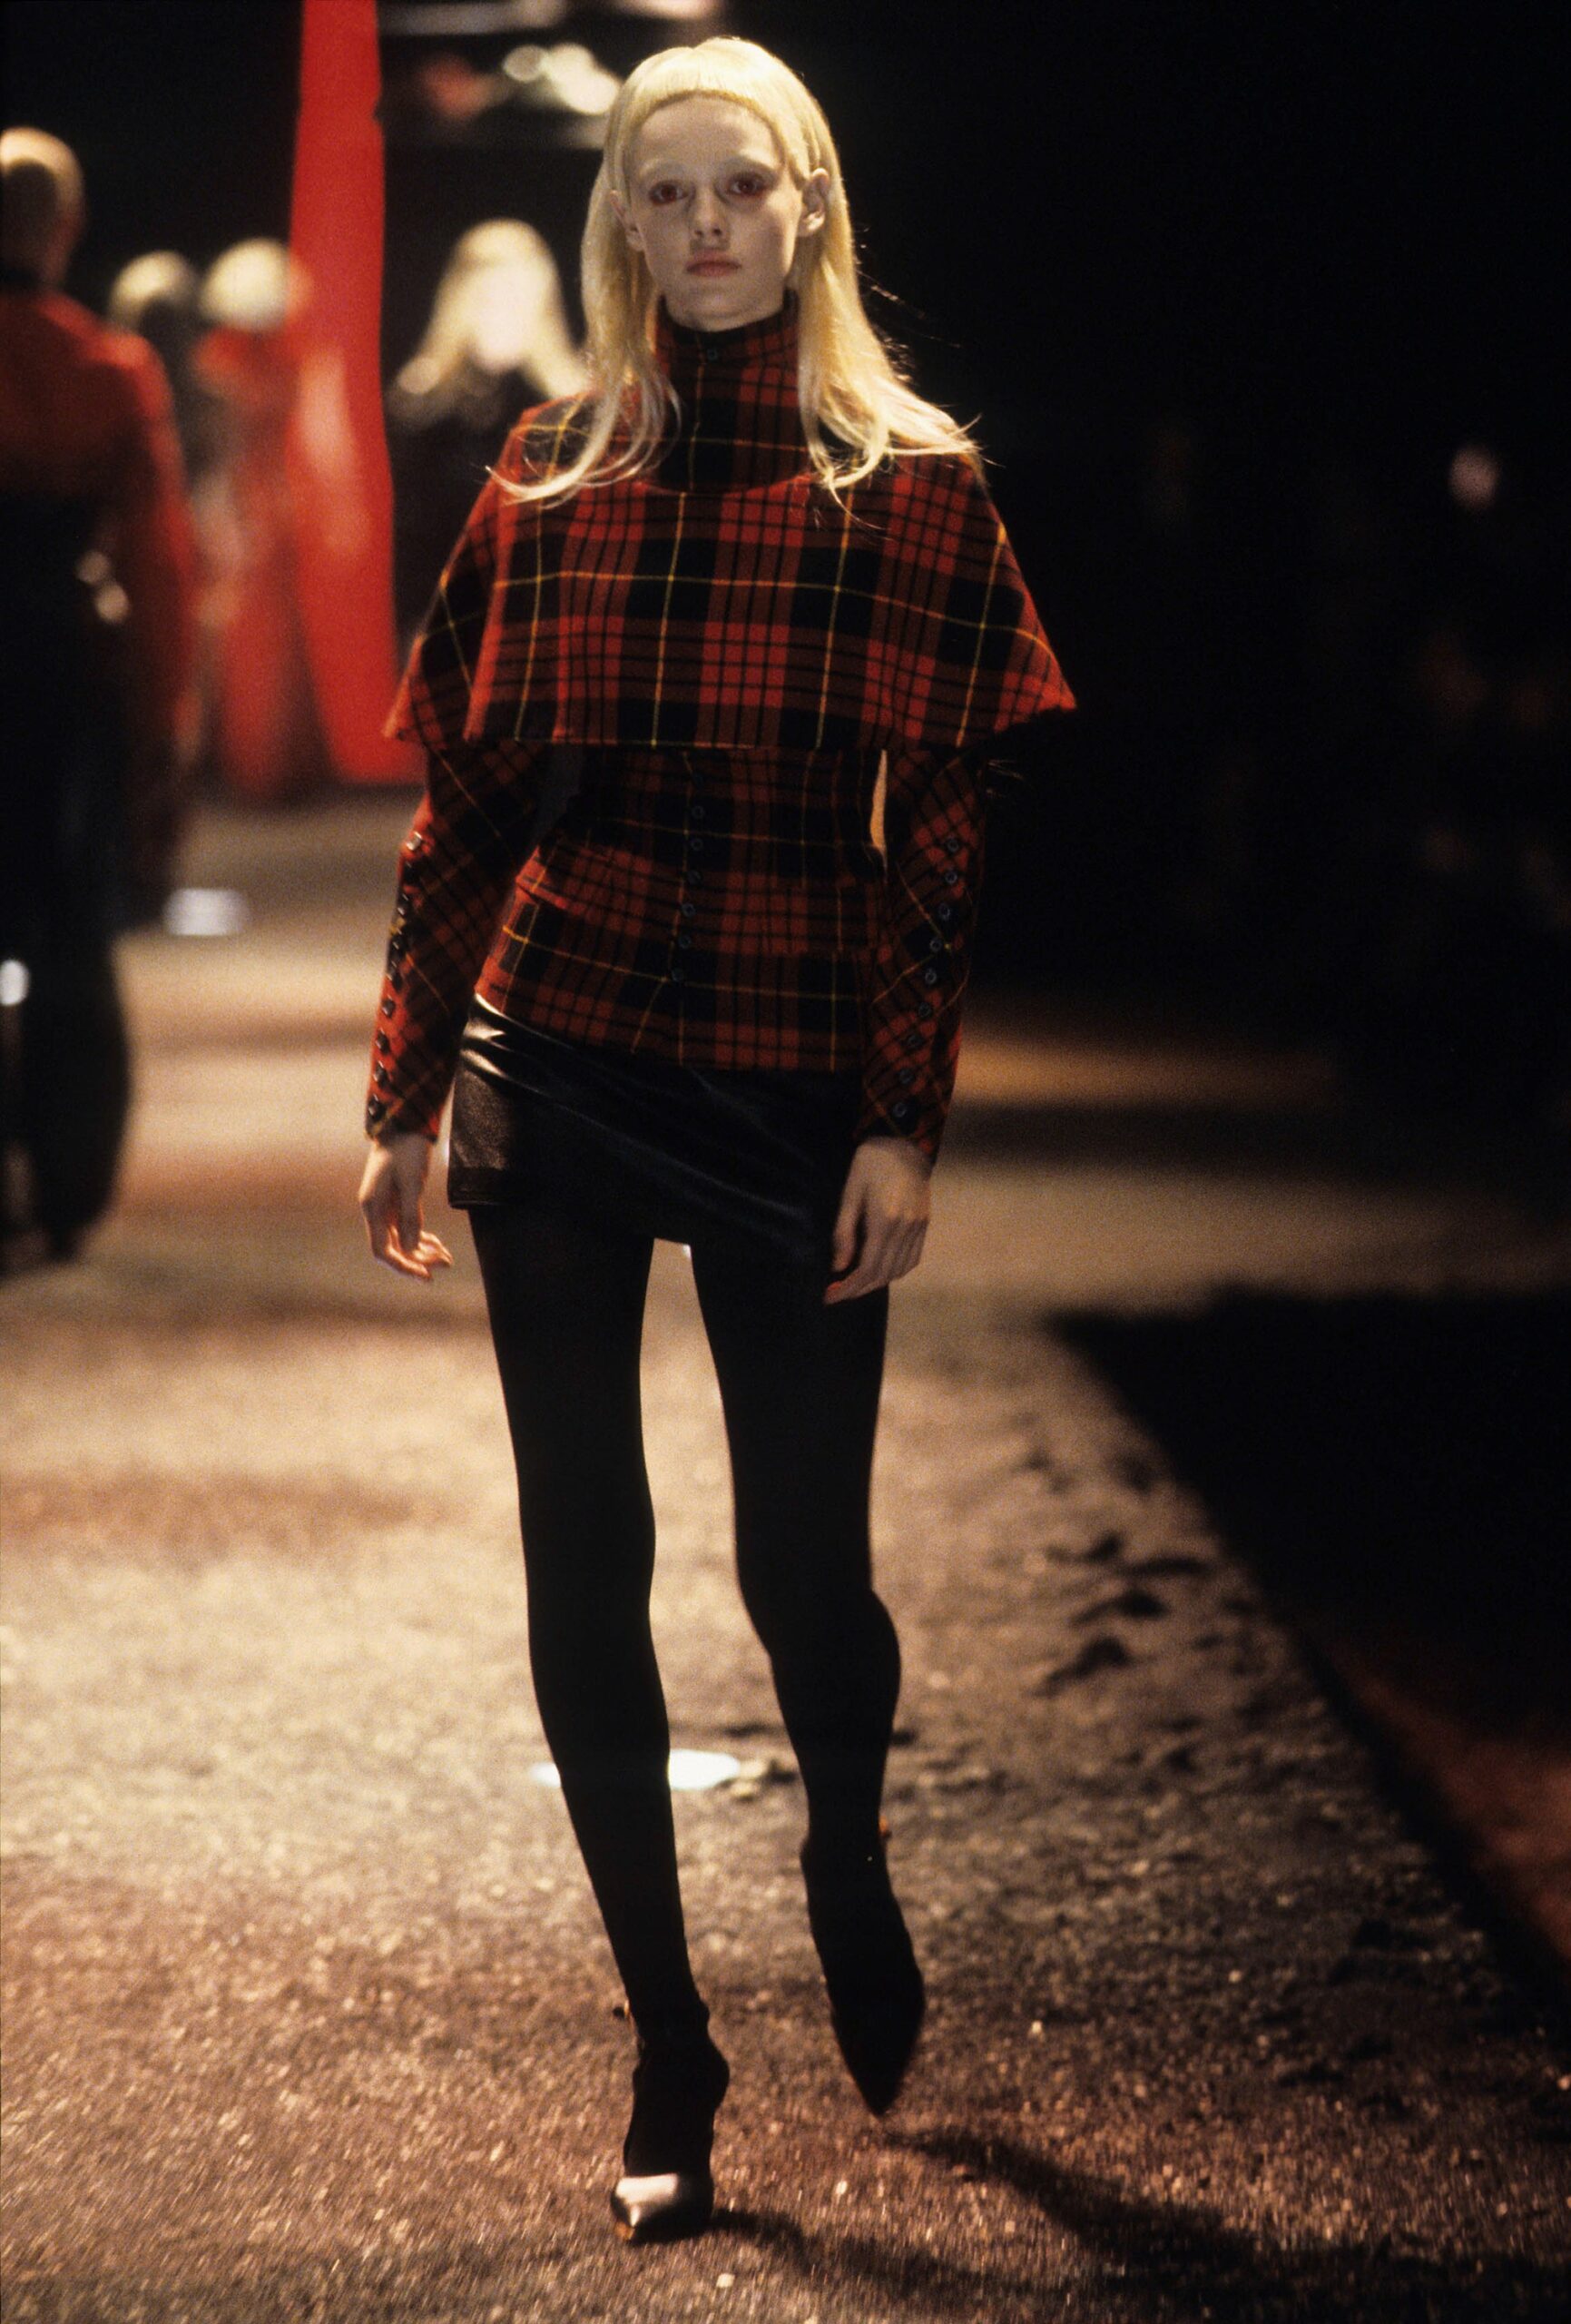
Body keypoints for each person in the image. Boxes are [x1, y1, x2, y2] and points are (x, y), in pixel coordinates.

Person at [358, 36, 1073, 2245]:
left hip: (785, 1044)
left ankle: (843, 1837)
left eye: (738, 191)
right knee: (583, 1550)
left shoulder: (915, 482)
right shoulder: (549, 474)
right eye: (659, 198)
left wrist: (903, 1122)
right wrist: (404, 1084)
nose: (701, 232)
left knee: (800, 1567)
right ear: (618, 229)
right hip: (556, 1048)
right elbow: (466, 804)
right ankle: (667, 2027)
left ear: (811, 208)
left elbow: (938, 848)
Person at [0, 128, 197, 1265]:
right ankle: (68, 1178)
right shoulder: (106, 370)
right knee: (71, 926)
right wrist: (163, 722)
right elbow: (159, 563)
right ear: (64, 228)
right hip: (56, 667)